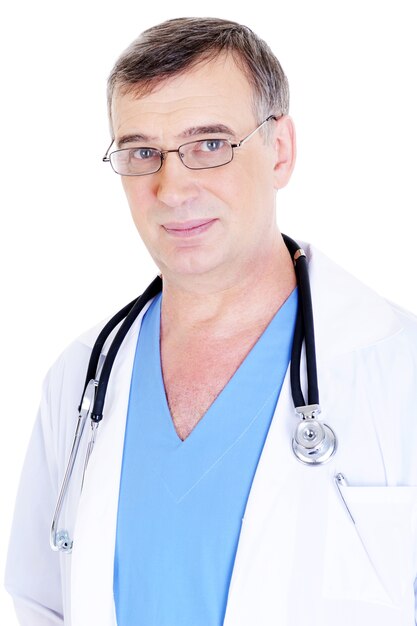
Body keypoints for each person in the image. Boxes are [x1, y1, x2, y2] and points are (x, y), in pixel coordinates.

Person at [5, 16, 417, 626]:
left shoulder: (396, 367)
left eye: (210, 145)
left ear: (279, 151)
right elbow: (41, 605)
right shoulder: (81, 380)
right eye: (143, 152)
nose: (172, 188)